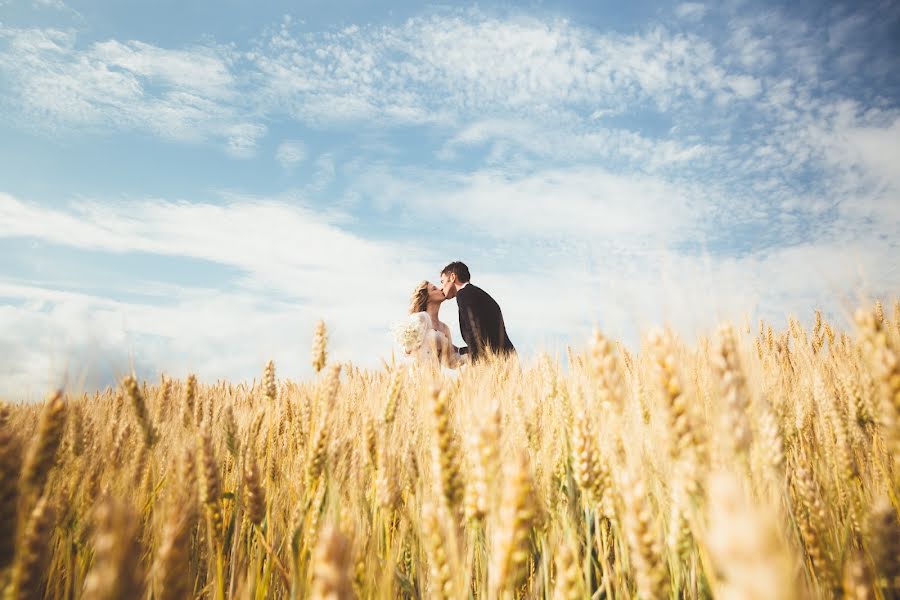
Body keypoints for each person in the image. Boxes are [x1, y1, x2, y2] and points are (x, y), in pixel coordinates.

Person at [439, 261, 515, 361]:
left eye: (442, 281)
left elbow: (475, 331)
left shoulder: (463, 294)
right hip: (507, 356)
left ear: (452, 277)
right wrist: (462, 351)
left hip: (495, 360)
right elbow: (487, 333)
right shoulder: (477, 293)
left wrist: (475, 363)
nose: (441, 288)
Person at [401, 280, 461, 368]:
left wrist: (472, 352)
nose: (440, 289)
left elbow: (451, 363)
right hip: (417, 374)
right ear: (427, 297)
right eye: (434, 289)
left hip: (434, 379)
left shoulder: (444, 328)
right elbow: (406, 349)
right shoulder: (420, 318)